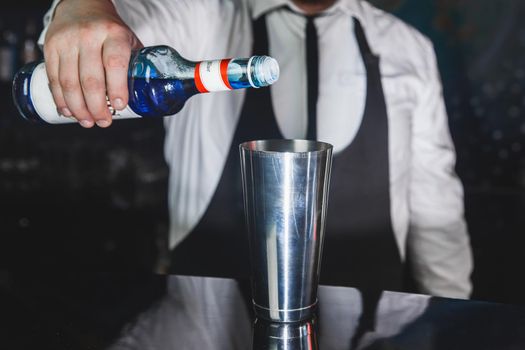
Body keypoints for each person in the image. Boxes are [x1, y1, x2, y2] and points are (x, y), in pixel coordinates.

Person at [38, 0, 473, 298]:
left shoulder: (408, 47)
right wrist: (83, 7)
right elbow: (109, 30)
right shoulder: (203, 16)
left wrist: (455, 313)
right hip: (204, 322)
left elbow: (436, 204)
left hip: (374, 325)